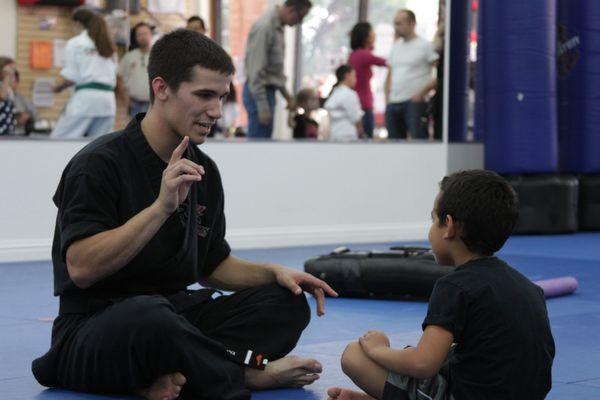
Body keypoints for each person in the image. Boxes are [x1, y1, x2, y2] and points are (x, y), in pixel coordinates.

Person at [32, 29, 337, 400]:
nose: (216, 111)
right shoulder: (97, 164)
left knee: (285, 302)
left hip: (175, 316)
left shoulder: (203, 168)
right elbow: (80, 269)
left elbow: (212, 266)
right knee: (151, 318)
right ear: (161, 89)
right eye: (204, 95)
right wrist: (161, 208)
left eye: (222, 97)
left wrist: (272, 273)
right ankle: (244, 374)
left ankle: (172, 374)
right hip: (100, 325)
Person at [328, 169, 555, 400]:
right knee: (447, 352)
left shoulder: (455, 287)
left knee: (355, 355)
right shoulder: (528, 287)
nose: (430, 231)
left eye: (433, 219)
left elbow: (422, 364)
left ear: (448, 226)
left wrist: (378, 350)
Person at [242, 0, 312, 138]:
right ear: (291, 10)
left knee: (265, 141)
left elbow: (274, 72)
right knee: (258, 146)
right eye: (300, 17)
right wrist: (262, 106)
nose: (299, 22)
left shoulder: (278, 27)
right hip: (259, 93)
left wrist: (288, 97)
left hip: (267, 92)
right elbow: (256, 71)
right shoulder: (265, 27)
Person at [50, 8, 117, 139]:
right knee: (100, 147)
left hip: (85, 101)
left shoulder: (76, 43)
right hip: (108, 101)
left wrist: (56, 87)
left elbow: (71, 76)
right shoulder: (108, 46)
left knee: (58, 141)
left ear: (78, 23)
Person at [384, 10, 439, 140]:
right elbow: (389, 75)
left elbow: (440, 75)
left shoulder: (425, 46)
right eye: (395, 24)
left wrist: (423, 93)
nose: (396, 27)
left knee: (418, 140)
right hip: (394, 102)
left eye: (399, 23)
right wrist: (387, 99)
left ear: (412, 24)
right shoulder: (395, 47)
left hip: (414, 102)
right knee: (394, 143)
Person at [348, 22, 387, 139]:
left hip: (360, 104)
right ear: (366, 37)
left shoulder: (354, 55)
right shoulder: (363, 55)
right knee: (366, 141)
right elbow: (386, 62)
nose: (375, 35)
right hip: (363, 106)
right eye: (372, 33)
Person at [118, 22, 153, 118]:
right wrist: (126, 99)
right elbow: (119, 76)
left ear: (151, 34)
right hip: (134, 105)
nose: (142, 37)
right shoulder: (129, 56)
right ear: (136, 38)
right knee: (135, 132)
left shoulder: (158, 56)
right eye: (139, 34)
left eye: (145, 33)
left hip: (153, 105)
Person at [324, 64, 364, 141]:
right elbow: (356, 118)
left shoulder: (334, 93)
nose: (356, 79)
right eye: (354, 76)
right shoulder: (349, 94)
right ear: (347, 76)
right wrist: (361, 133)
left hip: (334, 134)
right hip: (348, 135)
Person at [11, 70, 38, 135]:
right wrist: (15, 121)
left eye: (12, 81)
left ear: (17, 83)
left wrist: (27, 115)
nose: (9, 83)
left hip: (20, 134)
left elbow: (35, 113)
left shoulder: (21, 98)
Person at [0, 57, 17, 136]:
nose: (12, 73)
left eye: (13, 70)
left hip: (8, 128)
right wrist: (7, 77)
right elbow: (2, 97)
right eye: (9, 70)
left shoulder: (8, 89)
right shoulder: (3, 86)